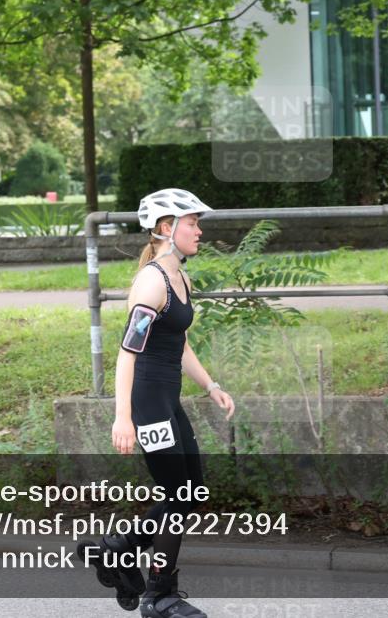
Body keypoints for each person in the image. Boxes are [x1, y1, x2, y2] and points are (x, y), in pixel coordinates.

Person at [81, 188, 235, 617]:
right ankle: (158, 595)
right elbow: (127, 354)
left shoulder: (180, 276)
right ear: (167, 229)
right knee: (177, 493)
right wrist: (123, 417)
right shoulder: (152, 281)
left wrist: (211, 385)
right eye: (192, 223)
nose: (199, 231)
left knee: (191, 492)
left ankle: (117, 548)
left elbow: (179, 344)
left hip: (167, 400)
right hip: (147, 402)